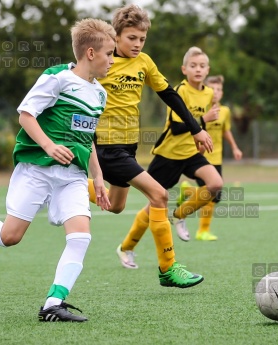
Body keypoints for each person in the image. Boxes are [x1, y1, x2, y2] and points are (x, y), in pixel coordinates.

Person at [0, 18, 115, 322]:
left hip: (72, 177)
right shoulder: (57, 77)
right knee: (10, 236)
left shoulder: (100, 94)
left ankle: (52, 304)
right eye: (109, 53)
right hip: (38, 169)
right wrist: (48, 146)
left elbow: (88, 138)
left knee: (81, 237)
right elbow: (26, 115)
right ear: (91, 53)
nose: (113, 60)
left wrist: (97, 177)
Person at [88, 5, 212, 288]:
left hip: (129, 147)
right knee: (159, 195)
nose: (137, 44)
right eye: (131, 37)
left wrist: (196, 129)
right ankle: (168, 269)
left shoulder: (144, 62)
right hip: (107, 146)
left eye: (142, 39)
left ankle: (68, 188)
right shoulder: (102, 63)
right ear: (116, 36)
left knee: (117, 206)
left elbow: (169, 94)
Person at [117, 46, 223, 267]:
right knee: (153, 205)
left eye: (202, 66)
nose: (198, 70)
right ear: (184, 69)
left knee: (215, 184)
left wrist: (202, 142)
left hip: (192, 154)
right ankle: (126, 247)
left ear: (208, 70)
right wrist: (204, 121)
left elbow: (201, 127)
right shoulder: (180, 91)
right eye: (193, 66)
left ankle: (179, 214)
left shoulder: (209, 93)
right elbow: (176, 127)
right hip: (169, 155)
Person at [176, 75, 243, 241]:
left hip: (217, 157)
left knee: (215, 196)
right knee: (211, 196)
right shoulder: (200, 109)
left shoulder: (225, 111)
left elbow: (226, 131)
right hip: (201, 156)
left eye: (220, 90)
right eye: (213, 89)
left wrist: (234, 147)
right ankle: (202, 231)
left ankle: (187, 190)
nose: (217, 93)